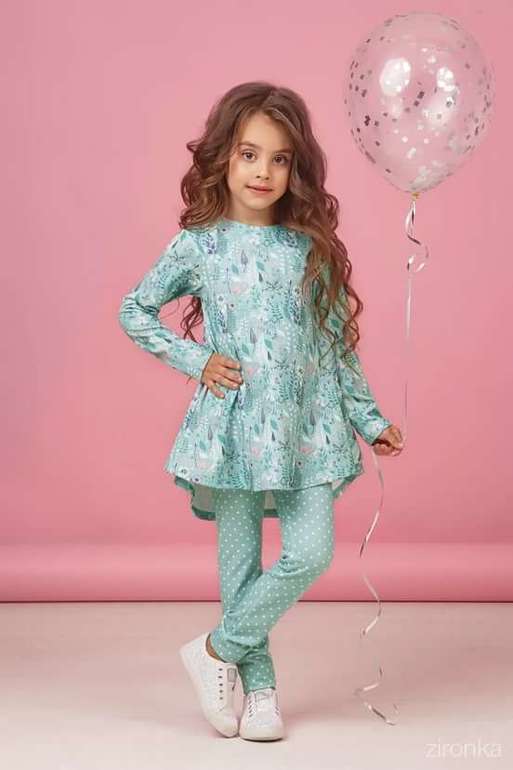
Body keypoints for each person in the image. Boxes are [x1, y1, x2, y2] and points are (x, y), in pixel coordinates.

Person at [118, 81, 403, 741]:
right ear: (224, 155)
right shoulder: (200, 244)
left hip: (307, 428)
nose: (262, 172)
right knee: (240, 566)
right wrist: (195, 360)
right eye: (249, 154)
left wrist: (369, 421)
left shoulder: (308, 248)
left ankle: (215, 649)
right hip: (232, 429)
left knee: (310, 552)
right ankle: (262, 692)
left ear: (295, 168)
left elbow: (335, 346)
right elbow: (134, 309)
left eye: (279, 159)